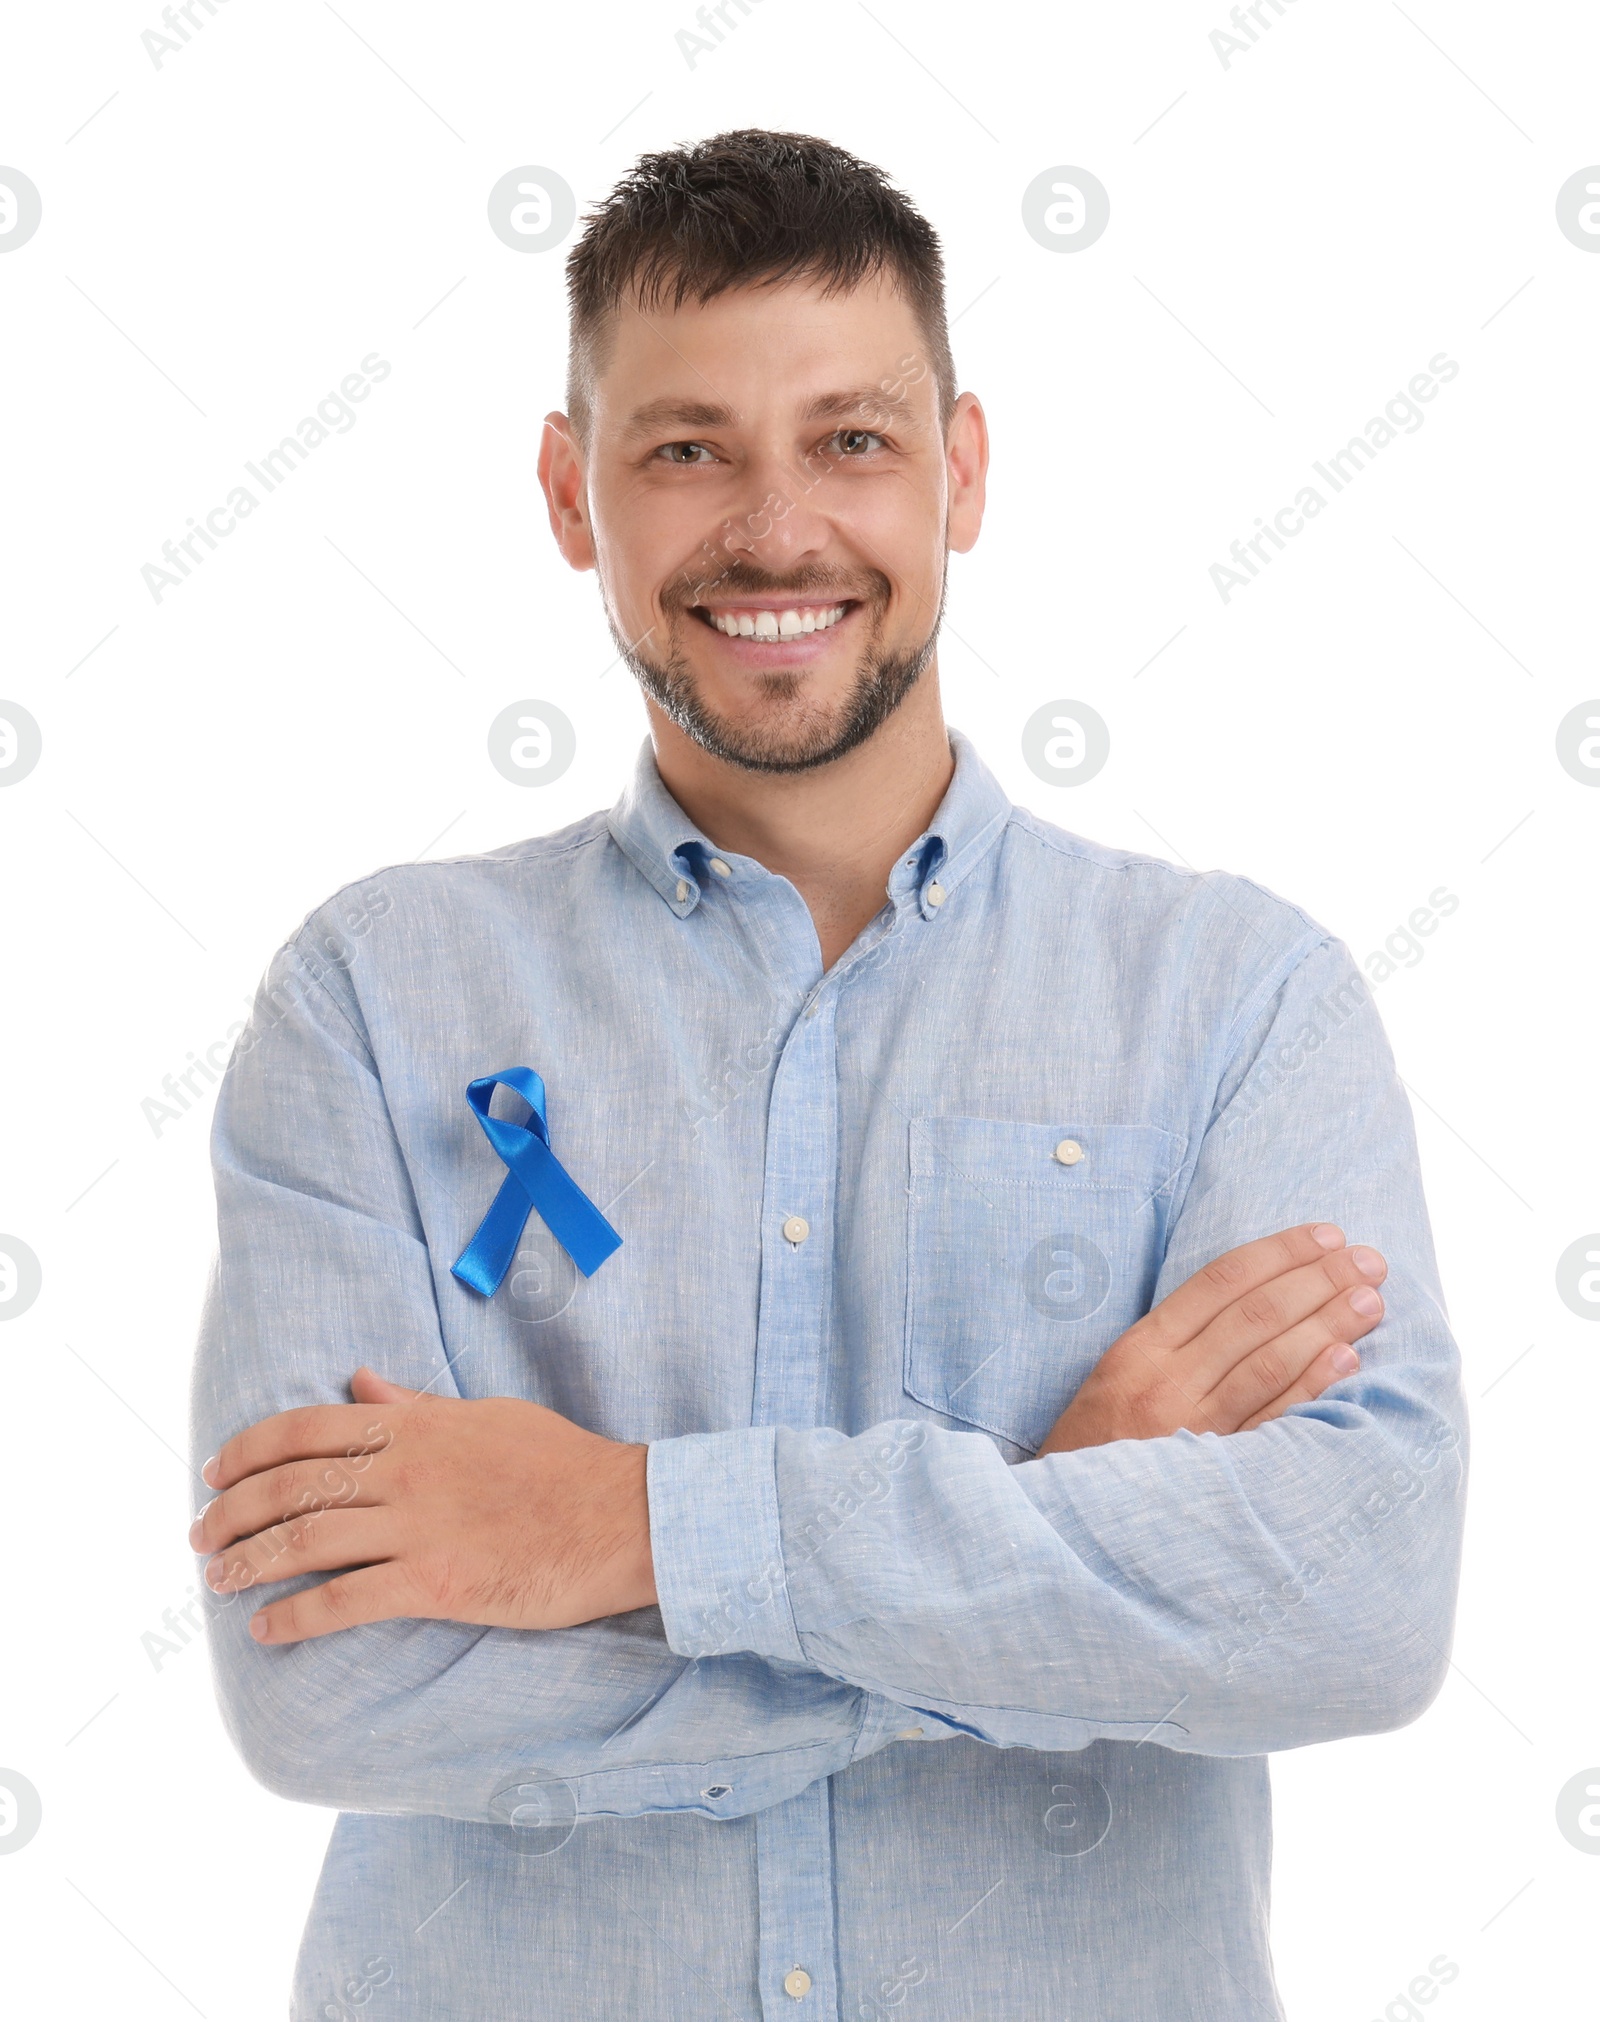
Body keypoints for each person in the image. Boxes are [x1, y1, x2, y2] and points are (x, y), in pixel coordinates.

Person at [189, 129, 1466, 2021]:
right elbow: (328, 1681)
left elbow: (1355, 1607)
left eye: (852, 440)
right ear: (571, 491)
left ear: (961, 470)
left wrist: (622, 1527)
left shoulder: (1237, 1002)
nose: (775, 528)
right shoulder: (375, 1000)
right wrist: (1040, 1531)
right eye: (687, 445)